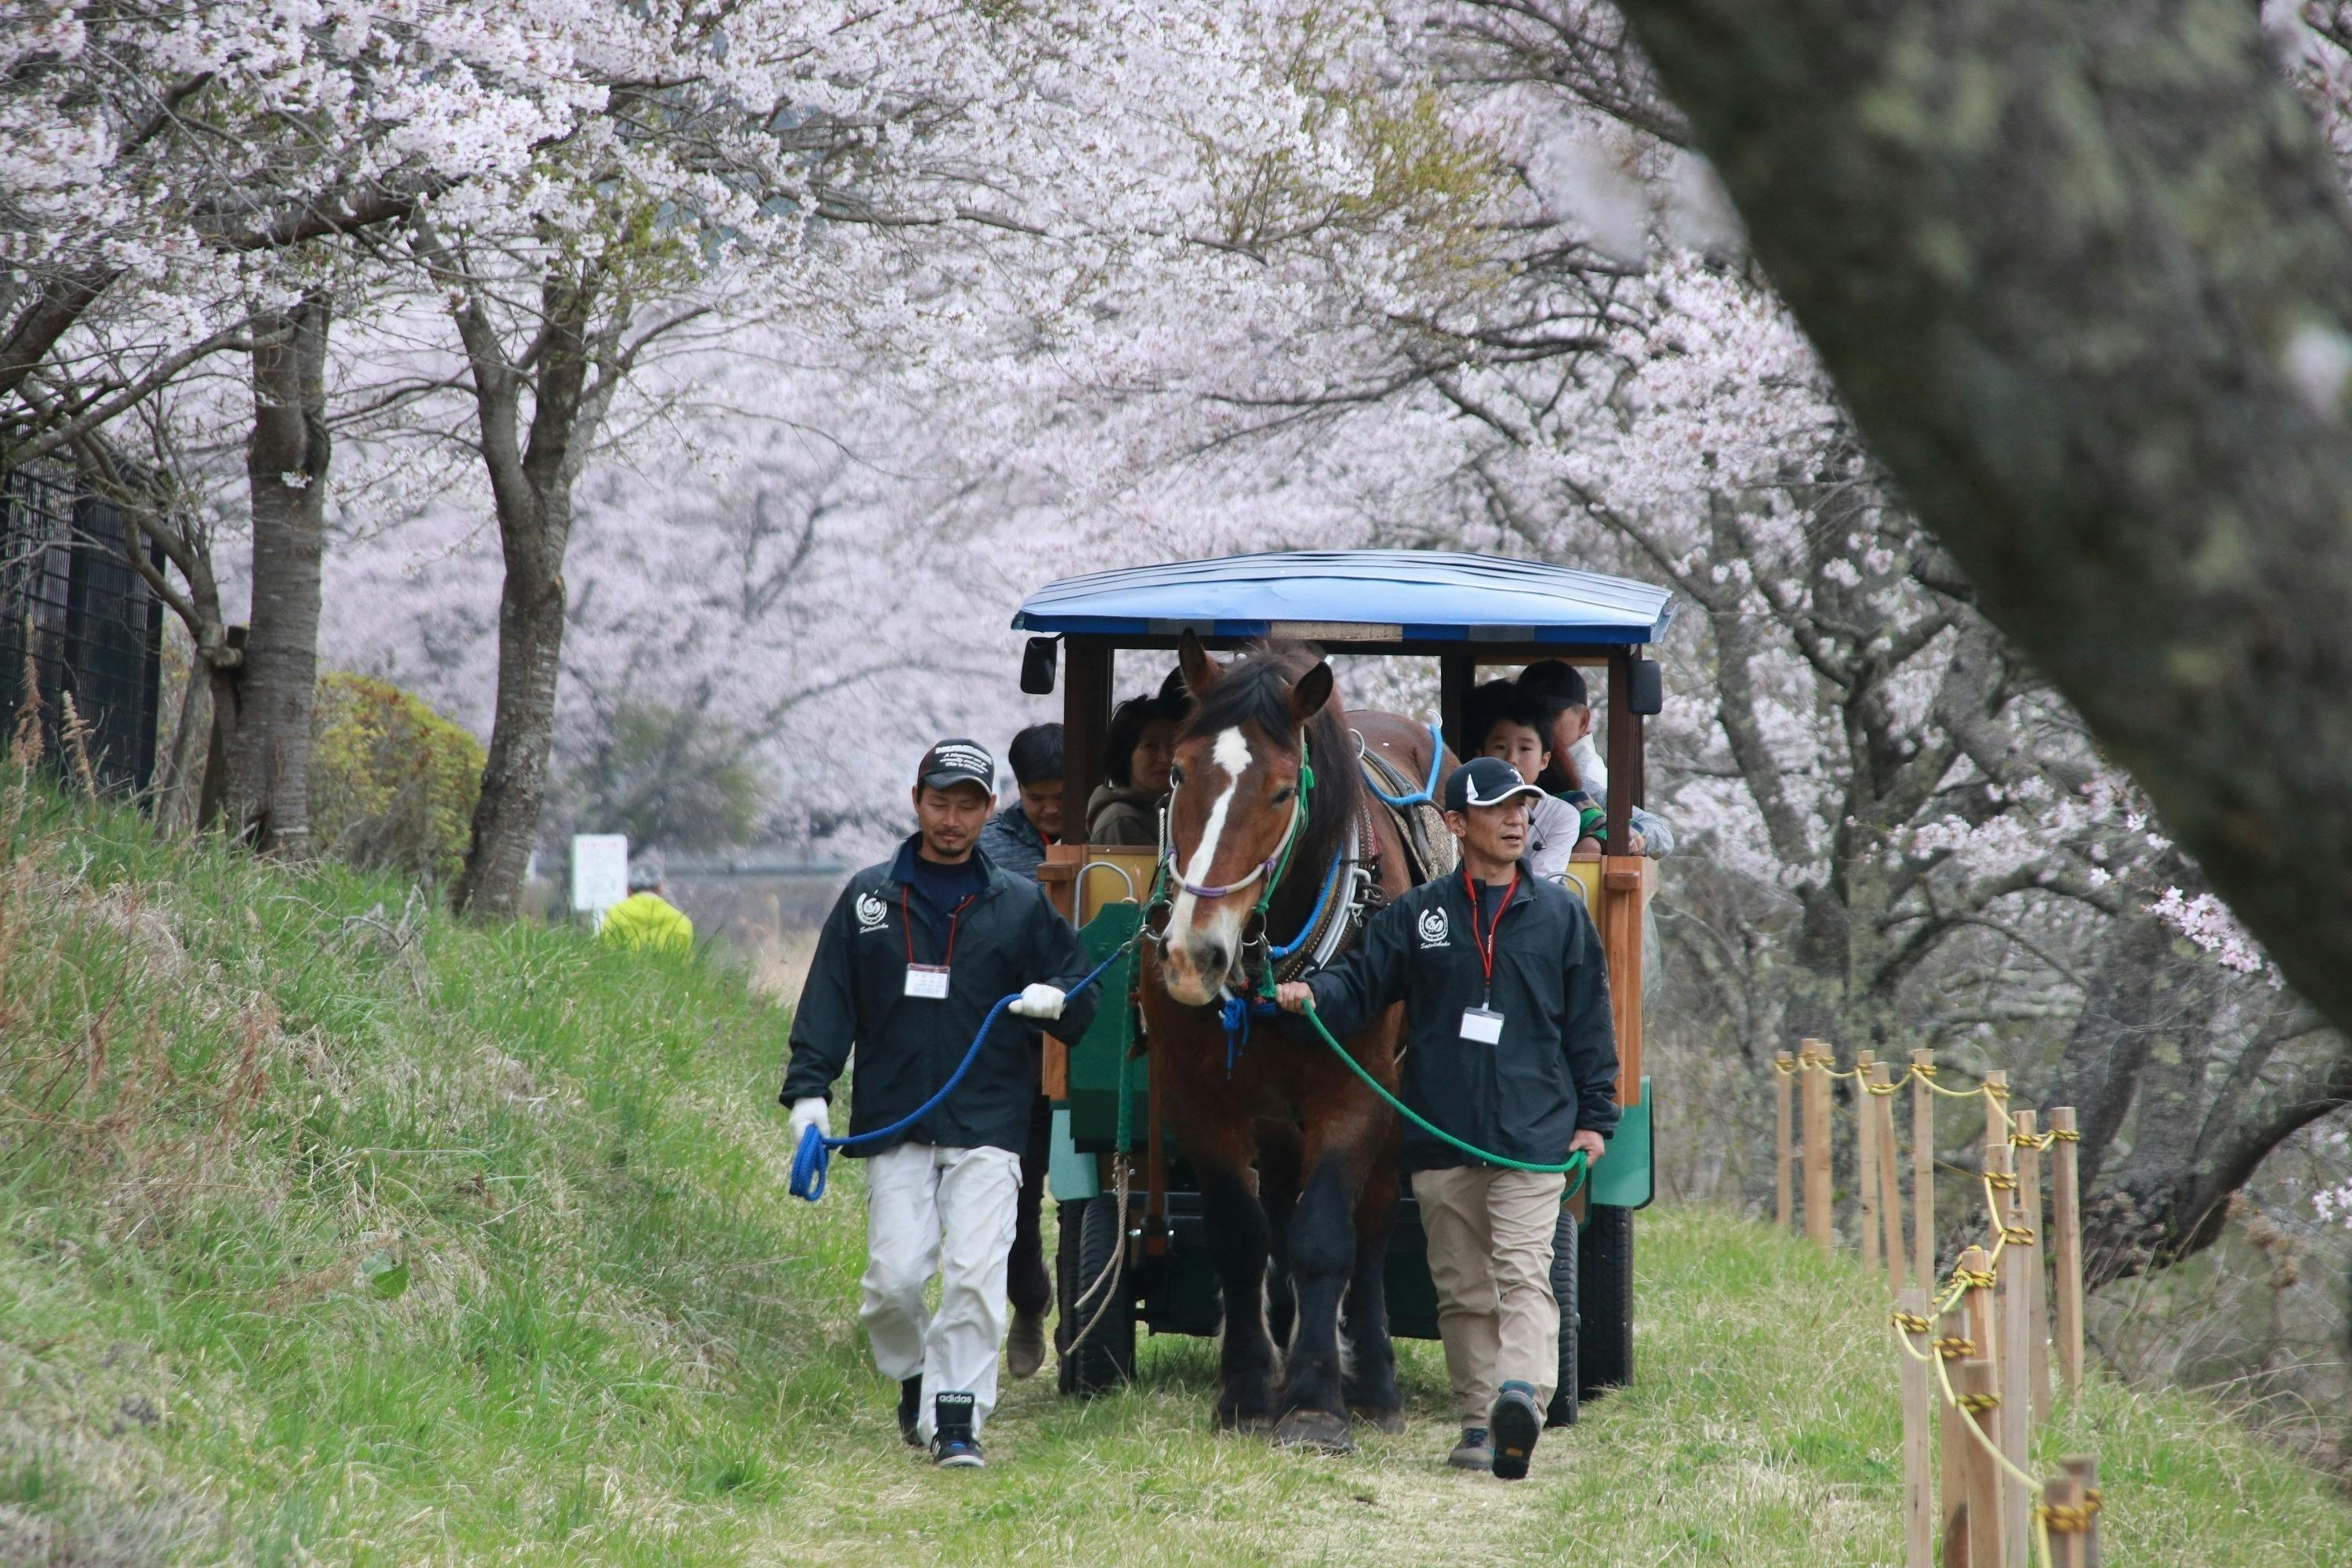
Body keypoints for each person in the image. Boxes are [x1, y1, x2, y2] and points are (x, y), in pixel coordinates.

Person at [1274, 756, 1618, 1482]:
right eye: (1497, 809)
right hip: (1439, 1135)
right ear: (1456, 825)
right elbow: (1360, 983)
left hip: (1534, 1134)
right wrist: (1312, 994)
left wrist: (1596, 1120)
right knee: (1461, 1289)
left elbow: (1591, 1025)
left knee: (1524, 1273)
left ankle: (1519, 1397)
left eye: (1523, 806)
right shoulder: (1416, 915)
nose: (1517, 819)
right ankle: (1477, 1422)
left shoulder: (1562, 915)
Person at [781, 739, 1102, 1468]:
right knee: (891, 1285)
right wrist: (809, 1094)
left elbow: (1083, 992)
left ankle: (958, 1419)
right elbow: (827, 1001)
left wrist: (1059, 1001)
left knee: (974, 1276)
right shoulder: (867, 899)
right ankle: (914, 1378)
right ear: (917, 801)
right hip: (896, 1121)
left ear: (991, 811)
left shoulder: (1019, 904)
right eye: (939, 802)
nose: (951, 819)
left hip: (990, 1120)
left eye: (967, 805)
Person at [975, 720, 1065, 1379]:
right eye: (1039, 798)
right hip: (1022, 1042)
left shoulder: (1125, 827)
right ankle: (1030, 1301)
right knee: (1019, 1189)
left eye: (1064, 795)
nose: (1053, 809)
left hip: (1091, 1028)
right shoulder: (995, 847)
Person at [1516, 660, 1675, 858]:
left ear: (1583, 721)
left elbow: (1657, 830)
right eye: (1527, 717)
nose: (1537, 728)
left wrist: (1604, 837)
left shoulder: (1582, 784)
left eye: (1551, 716)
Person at [1470, 679, 1596, 878]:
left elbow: (1541, 883)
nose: (1512, 759)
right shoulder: (1467, 810)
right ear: (1481, 755)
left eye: (1525, 749)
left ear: (1544, 760)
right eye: (1500, 747)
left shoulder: (1563, 816)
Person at [1085, 691, 1182, 847]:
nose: (1165, 758)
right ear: (1125, 755)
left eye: (1173, 745)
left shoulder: (1172, 810)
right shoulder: (1122, 819)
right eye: (1150, 746)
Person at [978, 723, 1064, 882]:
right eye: (1036, 798)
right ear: (1019, 786)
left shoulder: (1100, 838)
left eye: (1061, 797)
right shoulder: (984, 848)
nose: (1051, 809)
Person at [599, 861, 694, 954]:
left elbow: (606, 953)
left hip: (628, 969)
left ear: (628, 890)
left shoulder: (616, 914)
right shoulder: (681, 921)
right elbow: (686, 962)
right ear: (659, 889)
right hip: (666, 970)